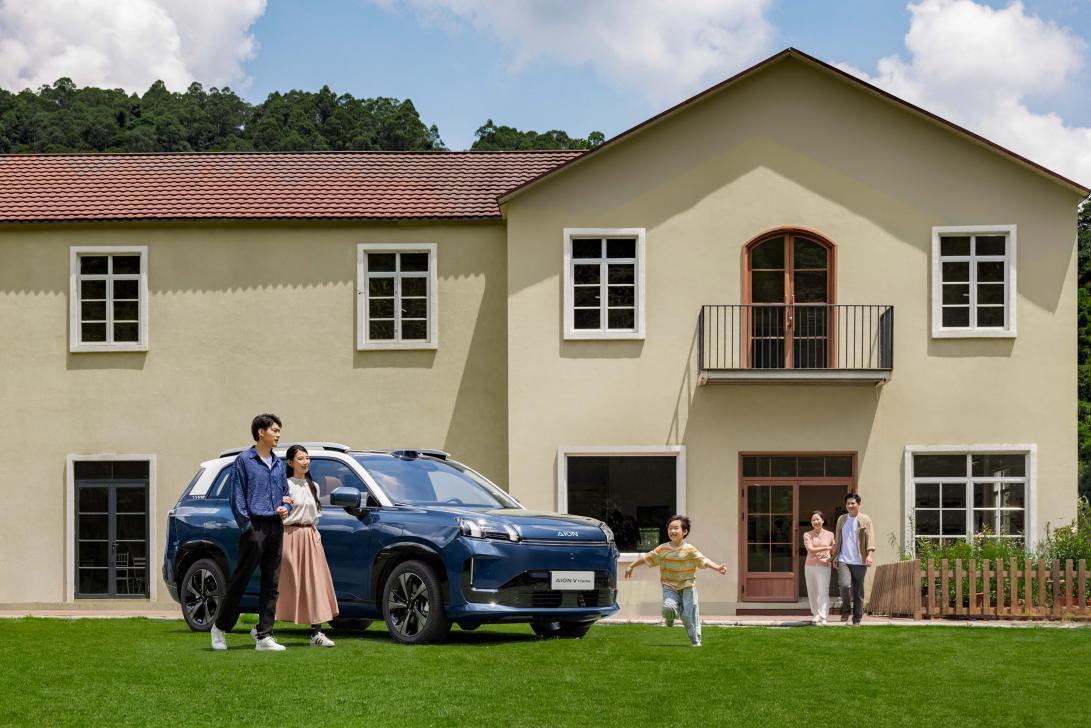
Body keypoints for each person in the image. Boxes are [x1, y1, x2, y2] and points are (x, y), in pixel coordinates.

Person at [211, 413, 292, 651]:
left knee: (272, 583)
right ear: (261, 432)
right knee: (241, 580)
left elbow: (286, 494)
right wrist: (247, 526)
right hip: (254, 526)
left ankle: (264, 636)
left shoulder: (278, 464)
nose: (278, 435)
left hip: (275, 526)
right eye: (275, 430)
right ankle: (220, 628)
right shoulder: (244, 461)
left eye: (279, 431)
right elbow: (236, 496)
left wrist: (286, 508)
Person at [623, 514, 727, 647]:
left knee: (688, 615)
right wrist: (631, 566)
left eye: (676, 528)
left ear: (685, 531)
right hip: (669, 586)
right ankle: (670, 616)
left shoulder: (690, 549)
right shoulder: (662, 549)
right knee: (667, 609)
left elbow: (703, 560)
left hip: (688, 586)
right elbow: (646, 557)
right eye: (670, 528)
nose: (672, 531)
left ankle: (695, 640)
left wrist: (717, 567)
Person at [276, 444, 340, 647]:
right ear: (290, 462)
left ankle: (316, 632)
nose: (305, 462)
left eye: (307, 458)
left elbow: (314, 515)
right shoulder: (284, 485)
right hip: (289, 536)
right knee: (284, 583)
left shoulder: (314, 486)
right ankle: (263, 628)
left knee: (315, 583)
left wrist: (314, 534)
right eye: (301, 458)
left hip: (310, 537)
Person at [831, 492, 875, 626]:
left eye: (853, 503)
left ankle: (857, 619)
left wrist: (869, 555)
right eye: (848, 503)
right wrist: (835, 556)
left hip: (860, 561)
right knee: (844, 585)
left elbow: (870, 538)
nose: (850, 505)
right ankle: (846, 610)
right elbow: (838, 538)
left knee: (858, 591)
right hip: (843, 559)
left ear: (858, 504)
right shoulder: (842, 519)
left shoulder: (865, 519)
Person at [803, 510, 835, 625]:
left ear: (822, 520)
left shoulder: (830, 534)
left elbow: (834, 550)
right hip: (810, 566)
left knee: (823, 591)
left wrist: (830, 559)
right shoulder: (807, 535)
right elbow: (810, 549)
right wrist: (827, 548)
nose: (815, 521)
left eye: (817, 519)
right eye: (813, 520)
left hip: (824, 565)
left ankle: (824, 616)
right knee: (812, 591)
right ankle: (816, 614)